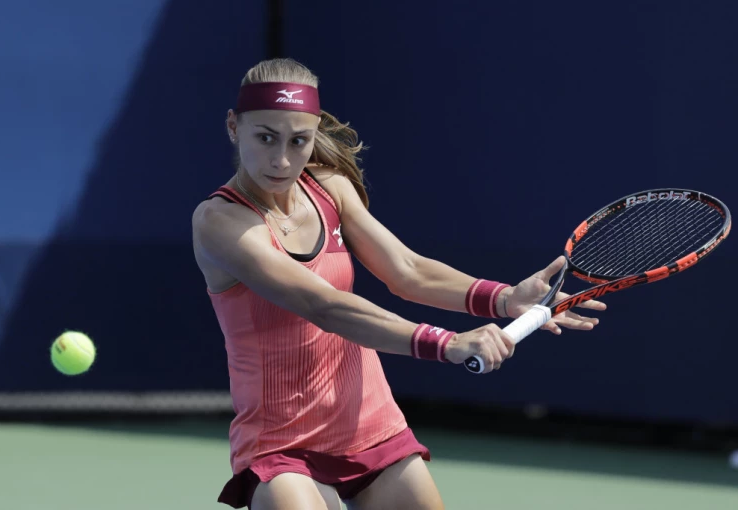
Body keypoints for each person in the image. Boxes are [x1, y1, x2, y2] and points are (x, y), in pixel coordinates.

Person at [192, 58, 605, 510]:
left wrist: (503, 299)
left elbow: (407, 270)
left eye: (298, 141)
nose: (282, 159)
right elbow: (323, 306)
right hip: (281, 441)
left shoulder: (329, 188)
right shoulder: (219, 221)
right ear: (233, 127)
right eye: (265, 137)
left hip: (370, 424)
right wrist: (448, 343)